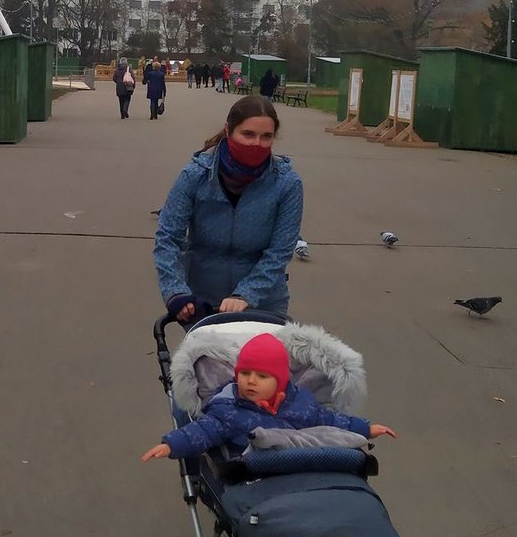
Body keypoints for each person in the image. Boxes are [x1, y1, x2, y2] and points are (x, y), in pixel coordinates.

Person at [153, 95, 302, 320]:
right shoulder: (195, 176)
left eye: (266, 137)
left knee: (262, 355)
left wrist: (246, 294)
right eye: (248, 134)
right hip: (203, 301)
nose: (256, 144)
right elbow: (167, 237)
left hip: (263, 303)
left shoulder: (287, 184)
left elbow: (279, 252)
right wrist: (175, 291)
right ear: (228, 129)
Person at [141, 331, 396, 460]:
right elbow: (202, 432)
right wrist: (171, 445)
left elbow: (330, 421)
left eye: (262, 377)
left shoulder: (303, 402)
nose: (251, 381)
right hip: (258, 471)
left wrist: (366, 428)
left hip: (300, 464)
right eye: (245, 373)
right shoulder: (228, 409)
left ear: (281, 381)